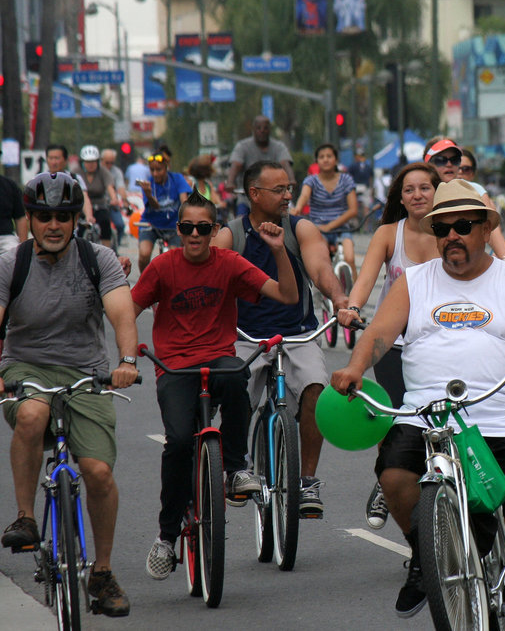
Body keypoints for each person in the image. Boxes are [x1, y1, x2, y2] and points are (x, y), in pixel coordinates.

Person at [332, 179, 505, 619]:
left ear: (484, 228)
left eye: (462, 225)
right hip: (427, 412)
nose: (451, 236)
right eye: (442, 228)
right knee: (394, 473)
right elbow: (379, 334)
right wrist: (355, 368)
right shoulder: (414, 282)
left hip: (500, 411)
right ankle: (424, 557)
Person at [132, 190, 298, 581]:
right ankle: (166, 537)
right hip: (174, 367)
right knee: (177, 444)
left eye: (203, 228)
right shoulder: (162, 267)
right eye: (187, 227)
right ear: (177, 230)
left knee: (237, 375)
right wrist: (127, 354)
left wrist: (278, 251)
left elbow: (288, 295)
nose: (194, 235)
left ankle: (237, 467)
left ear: (215, 231)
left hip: (217, 357)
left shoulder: (229, 263)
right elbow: (128, 308)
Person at [0, 171, 138, 617]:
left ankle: (101, 571)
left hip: (87, 373)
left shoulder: (100, 259)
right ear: (31, 220)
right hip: (27, 367)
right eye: (43, 216)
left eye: (63, 216)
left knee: (97, 472)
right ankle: (25, 517)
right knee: (32, 416)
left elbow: (121, 314)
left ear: (76, 219)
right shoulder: (11, 265)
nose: (53, 224)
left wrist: (127, 362)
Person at [213, 160, 350, 516]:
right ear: (254, 194)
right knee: (235, 395)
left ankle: (307, 482)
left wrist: (340, 301)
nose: (289, 195)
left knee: (316, 390)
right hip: (245, 337)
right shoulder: (231, 235)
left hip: (299, 334)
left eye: (290, 188)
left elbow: (320, 269)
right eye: (280, 190)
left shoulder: (300, 228)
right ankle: (238, 469)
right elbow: (211, 281)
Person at [342, 162, 441, 530]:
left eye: (425, 188)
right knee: (395, 423)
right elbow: (366, 280)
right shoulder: (388, 233)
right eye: (409, 190)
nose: (417, 195)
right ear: (401, 197)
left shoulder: (450, 232)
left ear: (437, 192)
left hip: (438, 342)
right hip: (393, 343)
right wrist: (352, 307)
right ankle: (388, 479)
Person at [423, 137, 505, 259]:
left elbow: (492, 232)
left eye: (454, 160)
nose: (449, 164)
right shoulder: (420, 194)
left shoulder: (475, 190)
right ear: (427, 165)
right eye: (441, 160)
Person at [289, 143, 359, 283]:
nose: (325, 159)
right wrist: (297, 209)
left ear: (336, 160)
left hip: (342, 228)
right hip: (318, 229)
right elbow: (304, 197)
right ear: (317, 161)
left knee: (350, 258)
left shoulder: (346, 180)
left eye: (329, 156)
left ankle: (355, 298)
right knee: (323, 260)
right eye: (321, 157)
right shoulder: (311, 181)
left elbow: (353, 210)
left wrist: (331, 226)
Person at [227, 115, 294, 213]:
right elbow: (236, 164)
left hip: (273, 199)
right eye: (258, 128)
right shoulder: (242, 146)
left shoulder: (279, 147)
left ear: (270, 130)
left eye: (265, 128)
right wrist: (230, 182)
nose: (262, 131)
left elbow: (285, 163)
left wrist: (291, 179)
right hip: (247, 199)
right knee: (240, 221)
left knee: (285, 219)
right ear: (253, 129)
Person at [137, 153, 191, 273]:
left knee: (175, 258)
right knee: (144, 254)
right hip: (151, 225)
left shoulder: (177, 179)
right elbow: (155, 206)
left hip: (173, 226)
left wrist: (187, 218)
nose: (155, 173)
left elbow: (184, 201)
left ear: (167, 167)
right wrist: (148, 194)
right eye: (152, 170)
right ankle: (144, 281)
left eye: (159, 169)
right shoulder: (147, 184)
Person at [77, 145, 119, 249]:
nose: (90, 165)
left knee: (105, 222)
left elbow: (110, 187)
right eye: (87, 162)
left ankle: (107, 251)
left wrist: (114, 198)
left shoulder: (103, 172)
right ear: (82, 162)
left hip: (100, 205)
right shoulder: (77, 173)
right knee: (78, 228)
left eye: (93, 162)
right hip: (82, 206)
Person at [45, 144, 95, 222]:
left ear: (65, 160)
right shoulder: (40, 180)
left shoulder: (75, 178)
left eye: (57, 158)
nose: (53, 162)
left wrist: (89, 216)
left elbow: (84, 197)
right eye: (51, 158)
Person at [101, 149, 127, 250]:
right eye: (107, 163)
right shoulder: (96, 170)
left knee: (120, 225)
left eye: (112, 163)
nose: (109, 165)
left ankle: (116, 247)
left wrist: (124, 200)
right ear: (101, 160)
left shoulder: (117, 172)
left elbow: (120, 187)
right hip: (97, 204)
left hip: (111, 203)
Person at [0, 174, 27, 255]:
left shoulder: (9, 185)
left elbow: (20, 218)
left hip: (5, 238)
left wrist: (24, 249)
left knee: (15, 256)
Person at [349, 145, 375, 214]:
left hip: (355, 187)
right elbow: (371, 178)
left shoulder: (353, 166)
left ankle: (355, 223)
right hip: (366, 187)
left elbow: (349, 177)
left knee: (353, 206)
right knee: (366, 207)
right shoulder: (368, 166)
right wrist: (371, 188)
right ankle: (365, 224)